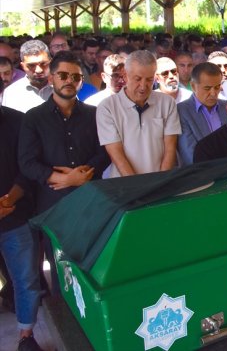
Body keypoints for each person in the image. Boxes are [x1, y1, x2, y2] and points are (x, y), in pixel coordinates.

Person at [18, 51, 109, 296]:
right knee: (61, 269)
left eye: (75, 76)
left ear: (82, 81)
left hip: (90, 202)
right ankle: (66, 324)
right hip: (52, 206)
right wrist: (65, 179)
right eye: (63, 75)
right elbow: (27, 163)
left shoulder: (94, 114)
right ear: (52, 78)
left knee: (92, 264)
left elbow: (104, 153)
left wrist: (85, 174)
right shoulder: (34, 118)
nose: (69, 80)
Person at [96, 50, 180, 178]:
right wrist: (137, 186)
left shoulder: (167, 103)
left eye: (149, 80)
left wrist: (161, 181)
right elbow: (117, 155)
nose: (143, 86)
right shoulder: (107, 108)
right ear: (125, 75)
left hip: (160, 182)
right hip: (124, 186)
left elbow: (170, 148)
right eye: (138, 79)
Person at [0, 103, 43, 351]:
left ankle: (26, 336)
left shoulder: (18, 121)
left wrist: (8, 200)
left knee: (26, 279)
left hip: (15, 214)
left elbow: (27, 167)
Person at [176, 62, 227, 166]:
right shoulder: (181, 111)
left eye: (217, 87)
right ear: (193, 86)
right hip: (201, 174)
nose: (213, 93)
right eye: (207, 88)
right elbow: (190, 154)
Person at [2, 40, 53, 113]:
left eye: (43, 64)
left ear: (51, 62)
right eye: (31, 65)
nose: (38, 70)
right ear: (23, 66)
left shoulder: (63, 87)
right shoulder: (11, 93)